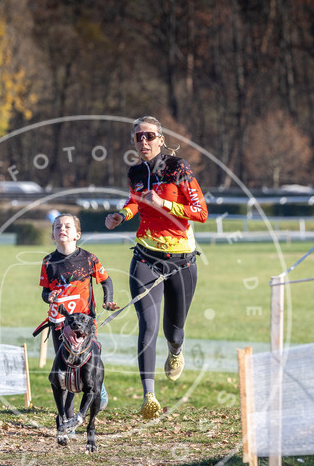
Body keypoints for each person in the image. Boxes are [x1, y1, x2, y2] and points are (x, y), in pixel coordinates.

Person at [105, 116, 208, 419]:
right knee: (147, 325)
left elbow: (200, 212)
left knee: (173, 331)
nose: (144, 142)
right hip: (146, 257)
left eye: (150, 136)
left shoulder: (179, 168)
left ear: (161, 139)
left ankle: (176, 351)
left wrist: (165, 205)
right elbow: (136, 201)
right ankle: (149, 396)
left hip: (181, 260)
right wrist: (122, 215)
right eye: (138, 138)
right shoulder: (136, 172)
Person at [39, 214, 119, 418]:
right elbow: (44, 292)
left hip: (84, 324)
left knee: (88, 362)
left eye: (67, 226)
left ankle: (97, 387)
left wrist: (107, 299)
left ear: (77, 234)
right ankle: (68, 417)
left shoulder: (89, 258)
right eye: (58, 227)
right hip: (59, 324)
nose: (62, 229)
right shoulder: (48, 262)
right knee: (65, 372)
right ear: (53, 235)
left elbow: (106, 281)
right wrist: (50, 297)